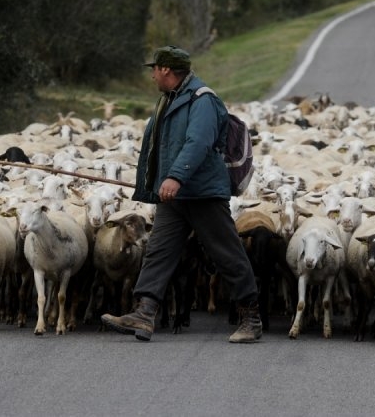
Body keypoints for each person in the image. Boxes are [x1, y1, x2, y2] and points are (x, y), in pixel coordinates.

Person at [100, 45, 261, 343]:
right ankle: (145, 312)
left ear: (166, 70)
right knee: (159, 251)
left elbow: (198, 142)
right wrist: (160, 181)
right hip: (175, 196)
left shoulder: (203, 100)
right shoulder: (170, 100)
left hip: (202, 193)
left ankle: (250, 317)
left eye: (154, 69)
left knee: (227, 254)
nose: (151, 76)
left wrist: (175, 176)